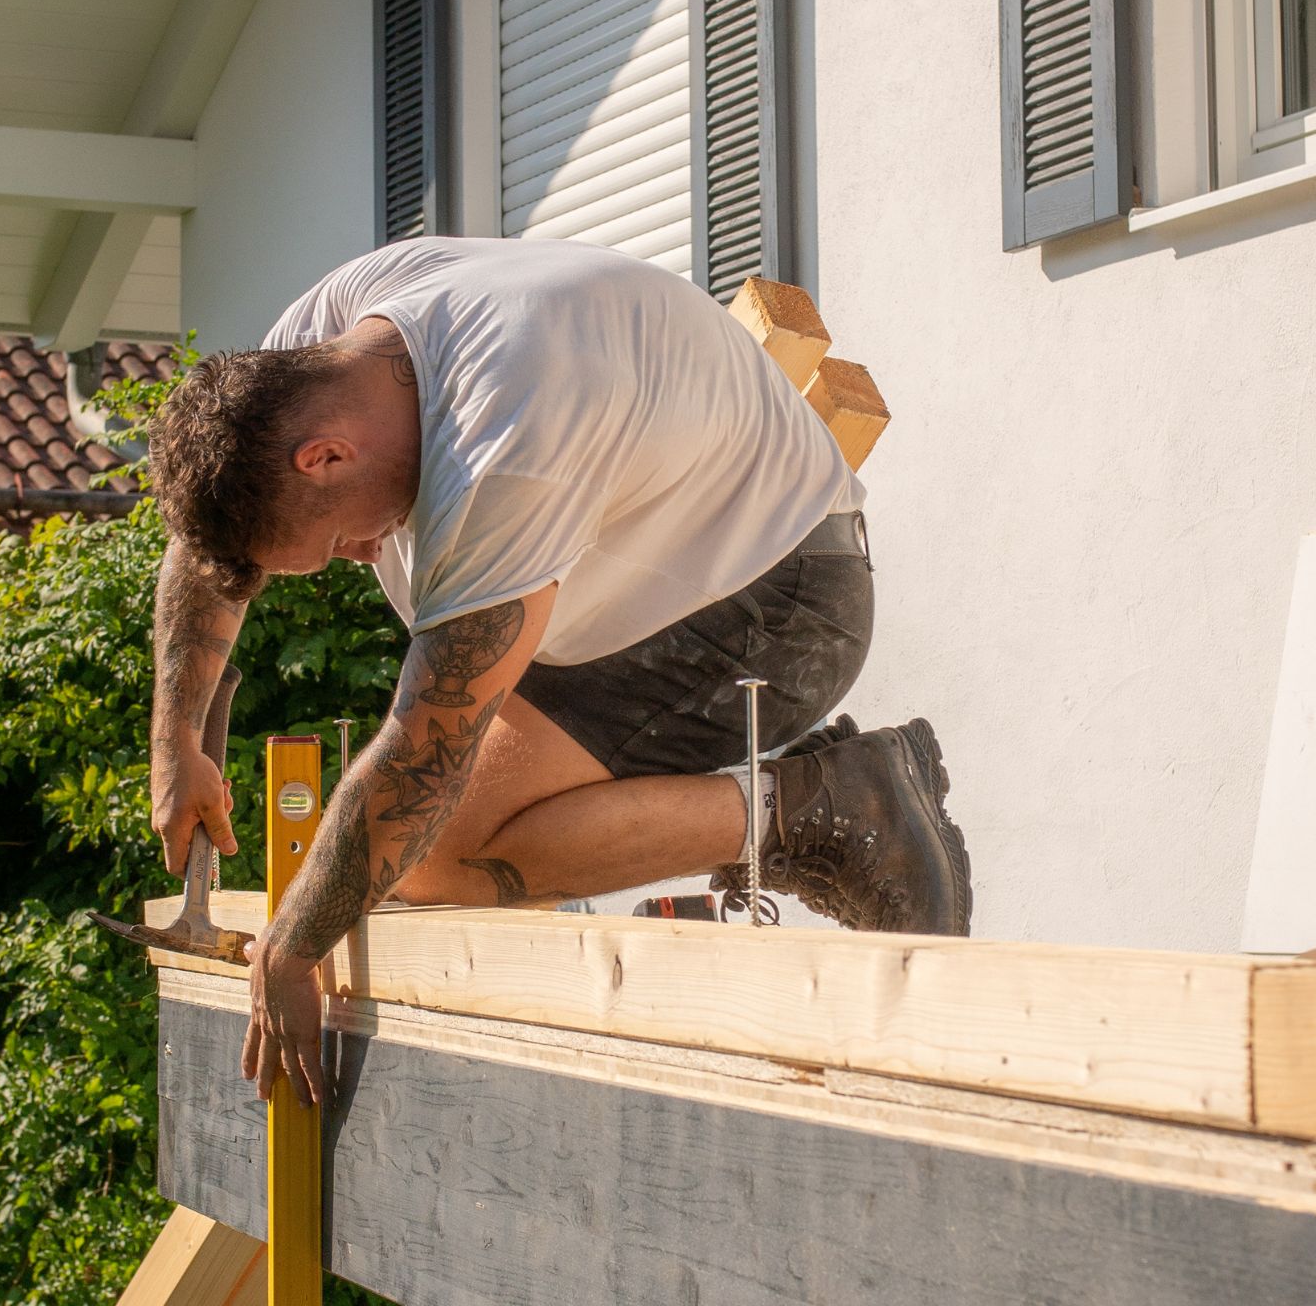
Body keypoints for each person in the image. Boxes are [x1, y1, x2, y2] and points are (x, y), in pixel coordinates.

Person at [145, 236, 970, 1107]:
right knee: (407, 858)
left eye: (331, 543)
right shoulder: (323, 350)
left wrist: (289, 951)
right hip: (633, 581)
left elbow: (424, 753)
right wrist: (176, 744)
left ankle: (820, 807)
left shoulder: (505, 435)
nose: (359, 555)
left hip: (775, 596)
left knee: (427, 852)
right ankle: (800, 803)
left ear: (325, 457)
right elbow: (206, 550)